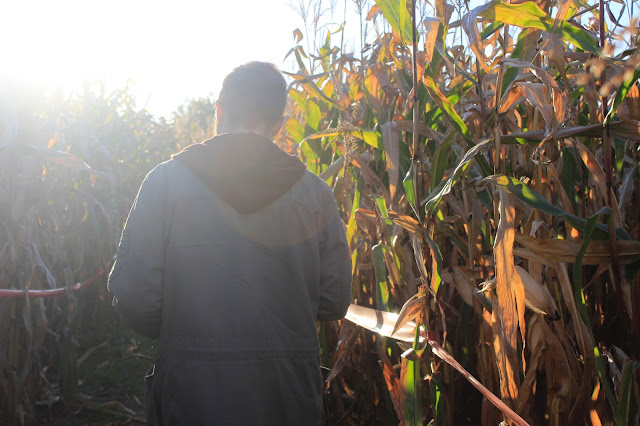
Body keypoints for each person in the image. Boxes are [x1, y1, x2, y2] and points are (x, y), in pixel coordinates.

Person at [107, 61, 352, 425]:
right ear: (279, 124)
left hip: (190, 394)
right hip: (287, 395)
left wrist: (183, 332)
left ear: (220, 111)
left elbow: (135, 296)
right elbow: (334, 300)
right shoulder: (315, 195)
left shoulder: (164, 183)